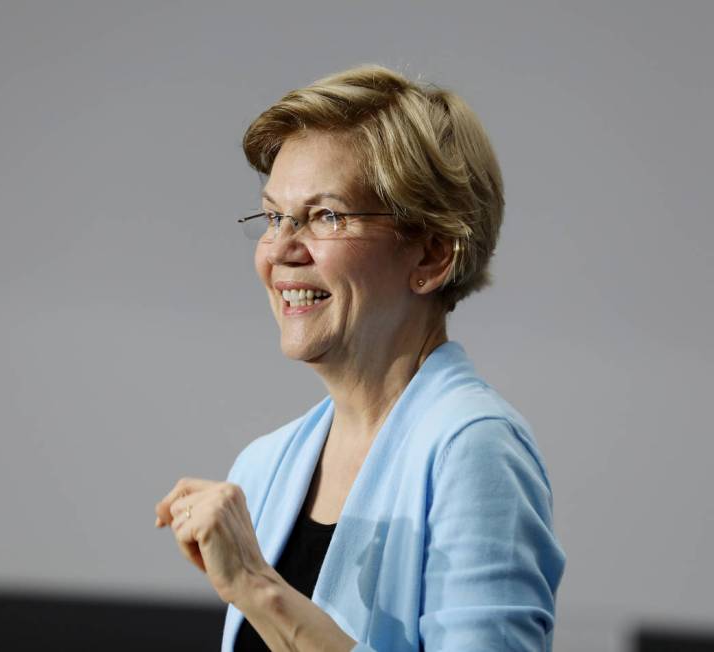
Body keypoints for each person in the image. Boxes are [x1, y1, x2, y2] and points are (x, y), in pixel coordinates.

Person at [154, 64, 566, 651]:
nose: (281, 251)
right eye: (274, 217)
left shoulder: (475, 449)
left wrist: (259, 590)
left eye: (326, 216)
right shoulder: (262, 469)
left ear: (432, 254)